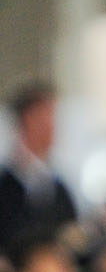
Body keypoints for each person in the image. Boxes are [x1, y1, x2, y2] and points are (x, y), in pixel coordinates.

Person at [0, 85, 77, 258]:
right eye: (47, 116)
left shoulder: (59, 189)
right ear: (28, 119)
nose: (54, 126)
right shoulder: (5, 186)